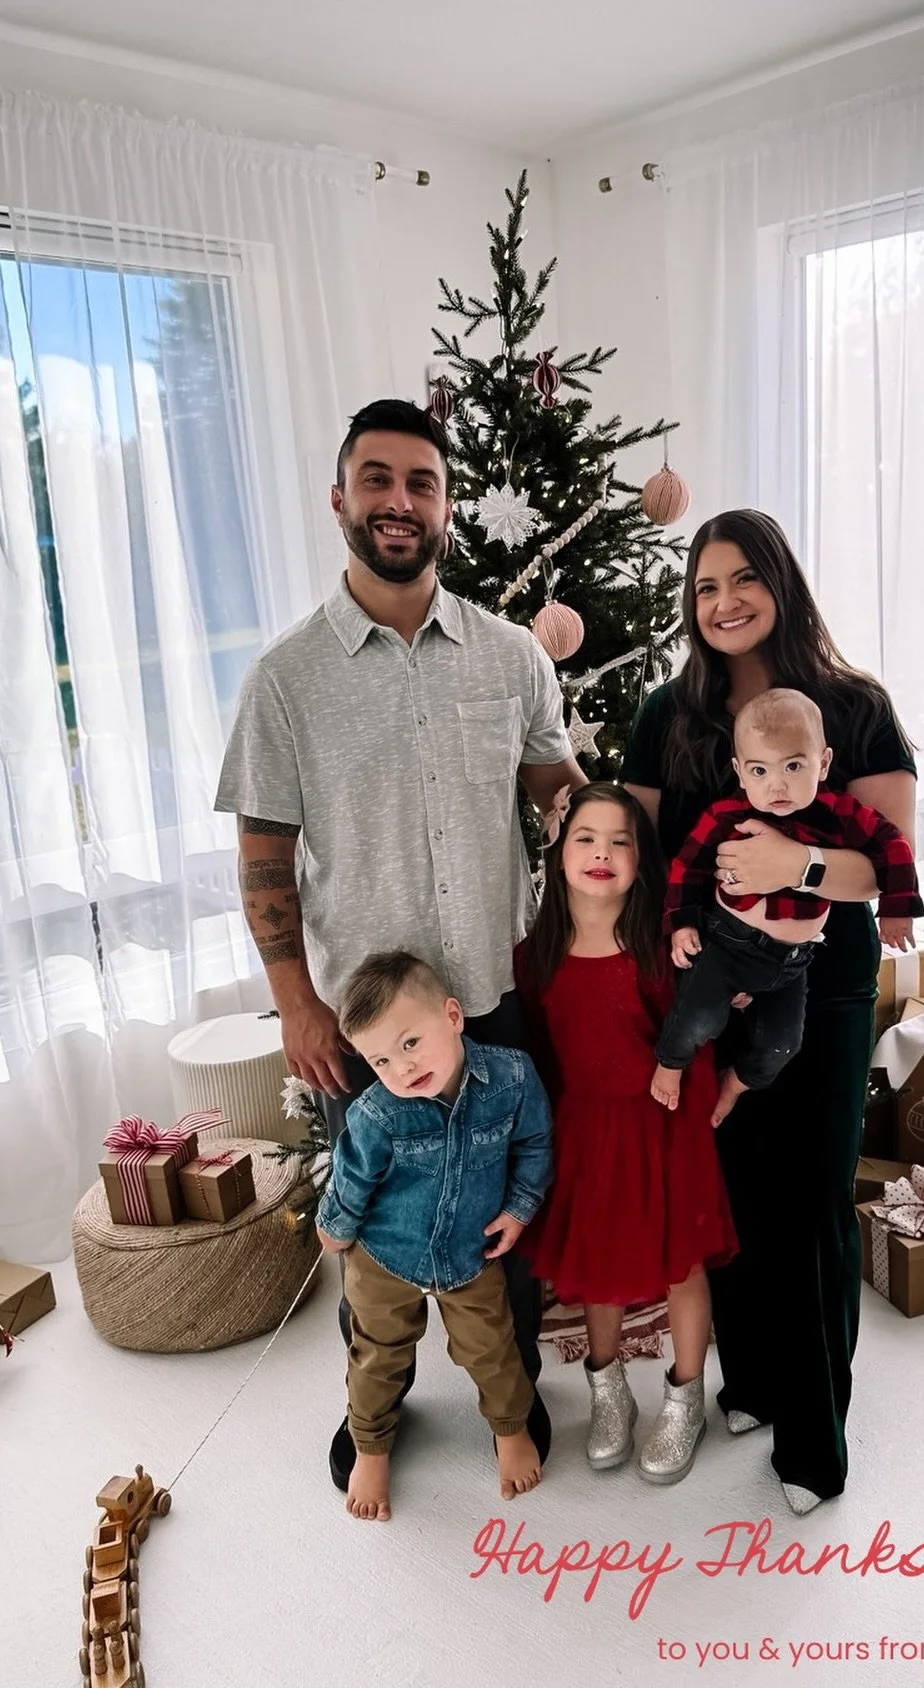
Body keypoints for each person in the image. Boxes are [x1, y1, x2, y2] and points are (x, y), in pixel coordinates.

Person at [215, 398, 587, 1490]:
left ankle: (510, 1391)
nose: (398, 500)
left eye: (421, 482)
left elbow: (557, 792)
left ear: (447, 506)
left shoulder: (512, 657)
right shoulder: (286, 679)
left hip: (494, 997)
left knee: (504, 1225)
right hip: (366, 1027)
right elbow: (265, 858)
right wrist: (296, 1002)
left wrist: (594, 822)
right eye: (376, 479)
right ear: (339, 499)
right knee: (372, 1223)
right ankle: (374, 1407)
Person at [621, 509, 919, 1516]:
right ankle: (749, 1380)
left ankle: (816, 1435)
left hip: (822, 986)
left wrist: (795, 865)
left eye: (744, 578)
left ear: (781, 584)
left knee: (813, 1199)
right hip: (715, 985)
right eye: (705, 586)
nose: (725, 602)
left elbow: (886, 862)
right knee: (736, 1192)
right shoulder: (668, 714)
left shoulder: (855, 706)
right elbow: (647, 861)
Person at [513, 783, 738, 1486]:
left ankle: (685, 1398)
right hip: (584, 1133)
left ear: (642, 860)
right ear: (559, 849)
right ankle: (608, 1391)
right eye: (586, 838)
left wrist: (693, 1122)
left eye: (620, 841)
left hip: (664, 1128)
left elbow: (696, 1040)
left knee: (682, 1263)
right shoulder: (533, 956)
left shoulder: (661, 951)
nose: (602, 853)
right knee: (597, 1264)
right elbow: (538, 1056)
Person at [315, 951, 553, 1522]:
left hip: (471, 1252)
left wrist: (519, 1209)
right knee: (376, 1353)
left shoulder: (512, 1078)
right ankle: (371, 1446)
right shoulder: (376, 1113)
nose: (401, 1069)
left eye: (411, 1043)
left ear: (451, 1016)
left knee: (492, 1346)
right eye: (381, 1060)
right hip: (385, 1254)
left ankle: (510, 1428)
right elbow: (351, 1178)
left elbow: (535, 1144)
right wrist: (335, 1228)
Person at [653, 687, 922, 1126]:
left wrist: (897, 907)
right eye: (759, 770)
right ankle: (670, 1062)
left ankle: (736, 1082)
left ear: (823, 763)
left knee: (783, 1044)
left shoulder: (839, 814)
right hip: (728, 945)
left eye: (793, 766)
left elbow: (892, 845)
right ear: (740, 772)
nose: (776, 785)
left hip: (792, 961)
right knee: (698, 1020)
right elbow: (687, 866)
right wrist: (681, 923)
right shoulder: (726, 815)